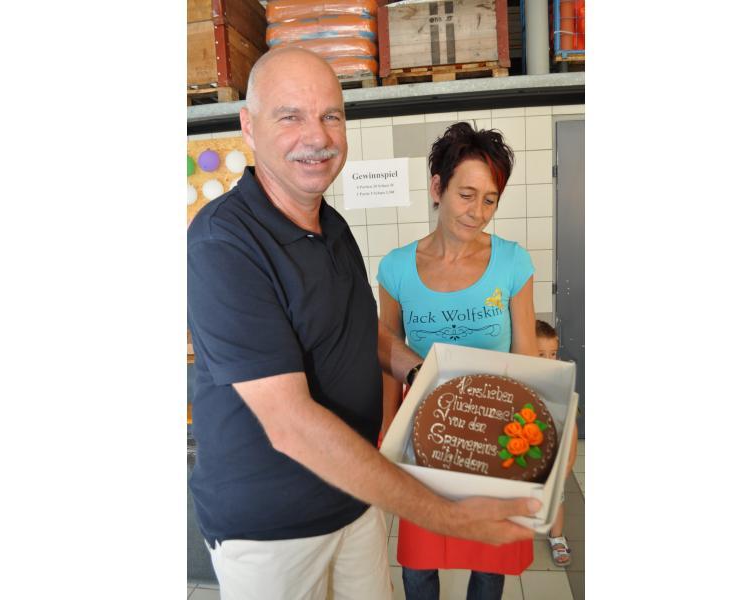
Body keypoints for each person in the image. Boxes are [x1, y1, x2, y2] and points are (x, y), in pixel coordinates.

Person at [186, 47, 542, 600]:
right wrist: (445, 514)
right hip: (272, 531)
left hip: (354, 499)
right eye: (291, 115)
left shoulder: (332, 226)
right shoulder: (223, 243)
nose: (317, 135)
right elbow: (290, 423)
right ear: (248, 126)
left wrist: (422, 372)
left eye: (331, 115)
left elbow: (365, 331)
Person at [377, 122, 539, 600]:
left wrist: (533, 449)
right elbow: (387, 350)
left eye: (490, 200)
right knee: (418, 559)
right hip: (426, 431)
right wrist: (386, 432)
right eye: (466, 195)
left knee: (488, 559)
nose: (478, 212)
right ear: (437, 188)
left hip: (495, 430)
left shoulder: (512, 262)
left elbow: (526, 357)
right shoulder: (396, 267)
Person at [536, 319, 579, 567]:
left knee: (556, 499)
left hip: (553, 457)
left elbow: (571, 424)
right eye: (541, 354)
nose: (549, 360)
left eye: (552, 353)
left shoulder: (560, 386)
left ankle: (557, 536)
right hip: (528, 456)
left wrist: (569, 462)